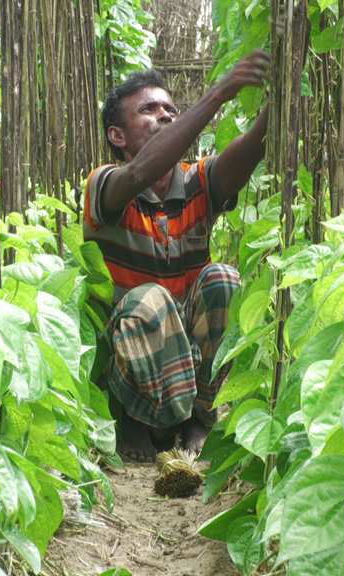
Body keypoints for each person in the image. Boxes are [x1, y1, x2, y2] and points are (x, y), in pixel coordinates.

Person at [83, 51, 271, 461]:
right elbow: (139, 174)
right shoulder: (107, 185)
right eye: (148, 110)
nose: (165, 116)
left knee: (222, 280)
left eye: (171, 109)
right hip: (132, 368)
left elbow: (252, 149)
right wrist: (220, 93)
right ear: (118, 136)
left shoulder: (197, 181)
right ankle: (131, 420)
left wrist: (278, 100)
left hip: (184, 367)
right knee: (148, 298)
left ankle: (198, 420)